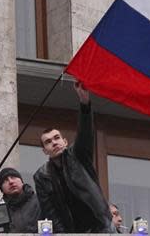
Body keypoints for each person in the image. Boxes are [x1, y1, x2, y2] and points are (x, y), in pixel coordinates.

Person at [33, 82, 115, 233]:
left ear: (65, 142)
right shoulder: (41, 176)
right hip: (72, 231)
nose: (54, 143)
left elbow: (85, 132)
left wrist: (84, 102)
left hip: (100, 226)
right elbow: (50, 211)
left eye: (57, 138)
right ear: (45, 151)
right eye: (48, 142)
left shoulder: (78, 155)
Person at [0, 167, 41, 233]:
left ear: (22, 181)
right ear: (2, 190)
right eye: (5, 180)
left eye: (13, 177)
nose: (11, 182)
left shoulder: (41, 201)